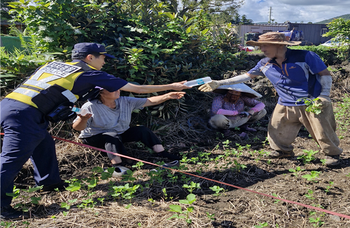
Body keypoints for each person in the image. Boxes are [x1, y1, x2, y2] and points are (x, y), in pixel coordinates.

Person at [0, 42, 190, 219]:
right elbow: (136, 88)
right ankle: (2, 208)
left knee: (43, 142)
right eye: (103, 57)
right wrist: (172, 86)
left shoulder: (53, 65)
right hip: (25, 113)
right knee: (11, 159)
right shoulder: (89, 73)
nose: (104, 61)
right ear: (90, 57)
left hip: (11, 105)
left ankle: (49, 183)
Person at [199, 32, 342, 166]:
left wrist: (324, 95)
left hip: (312, 101)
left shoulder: (305, 56)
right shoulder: (264, 63)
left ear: (279, 45)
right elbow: (246, 77)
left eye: (265, 45)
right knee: (277, 127)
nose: (261, 49)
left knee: (322, 129)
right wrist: (219, 83)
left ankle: (332, 154)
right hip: (285, 102)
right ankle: (282, 151)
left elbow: (324, 74)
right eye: (260, 45)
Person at [72, 89, 184, 176]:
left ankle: (162, 154)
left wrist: (167, 96)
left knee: (142, 130)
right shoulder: (90, 106)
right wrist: (83, 119)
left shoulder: (125, 100)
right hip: (94, 137)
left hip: (119, 133)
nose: (117, 90)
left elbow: (149, 101)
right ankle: (117, 165)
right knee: (111, 136)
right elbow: (77, 127)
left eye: (117, 88)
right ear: (101, 93)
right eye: (112, 89)